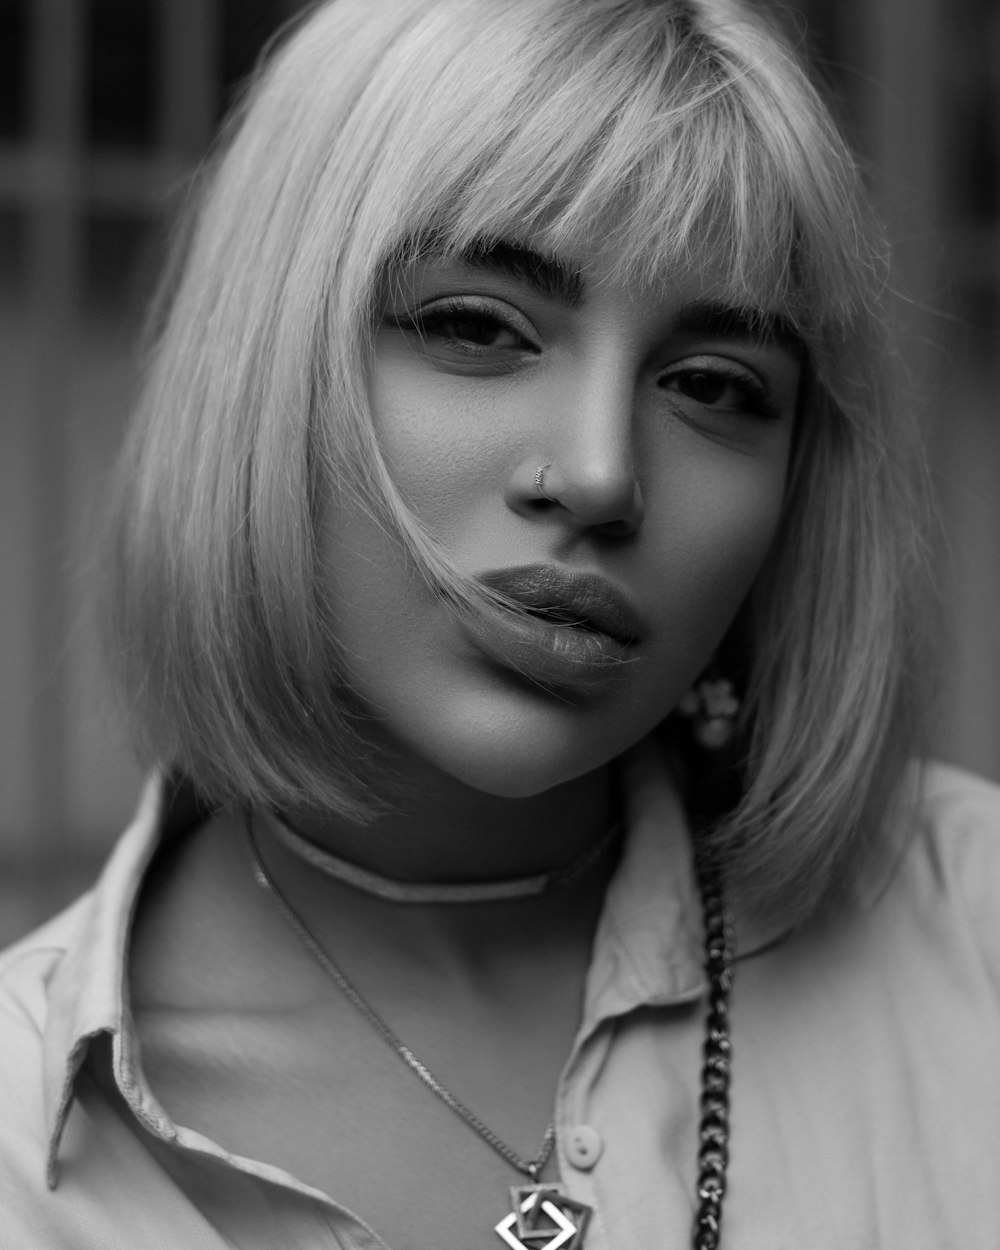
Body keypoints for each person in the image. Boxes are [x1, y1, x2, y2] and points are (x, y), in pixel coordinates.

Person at [2, 0, 998, 1246]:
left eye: (712, 386)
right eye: (478, 326)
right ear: (266, 361)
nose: (597, 474)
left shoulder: (971, 928)